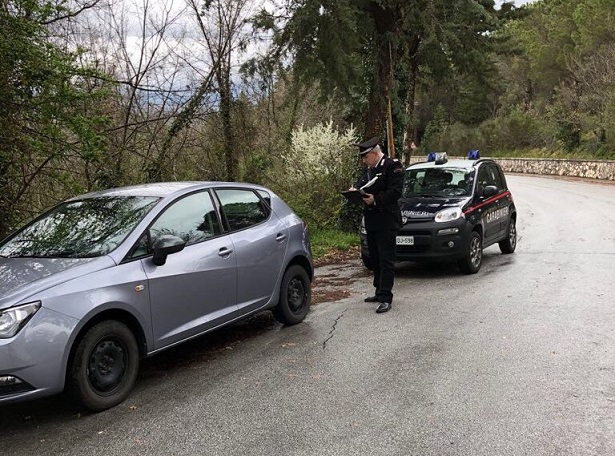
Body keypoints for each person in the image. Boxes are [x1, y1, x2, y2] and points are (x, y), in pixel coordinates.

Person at [351, 137, 404, 313]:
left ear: (374, 154)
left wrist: (375, 200)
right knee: (374, 259)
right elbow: (361, 185)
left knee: (386, 260)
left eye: (366, 157)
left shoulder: (392, 166)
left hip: (387, 219)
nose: (364, 161)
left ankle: (386, 297)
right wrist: (354, 191)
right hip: (371, 221)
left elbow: (395, 192)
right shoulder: (370, 169)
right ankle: (378, 290)